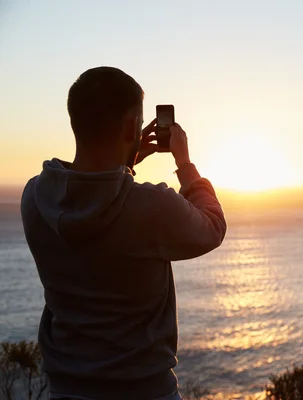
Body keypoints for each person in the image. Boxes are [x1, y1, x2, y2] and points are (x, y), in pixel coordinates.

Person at [20, 66, 227, 400]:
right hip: (145, 391)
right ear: (133, 127)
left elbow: (95, 200)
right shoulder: (150, 205)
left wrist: (125, 163)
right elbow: (213, 227)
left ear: (76, 122)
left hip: (66, 390)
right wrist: (185, 164)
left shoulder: (35, 198)